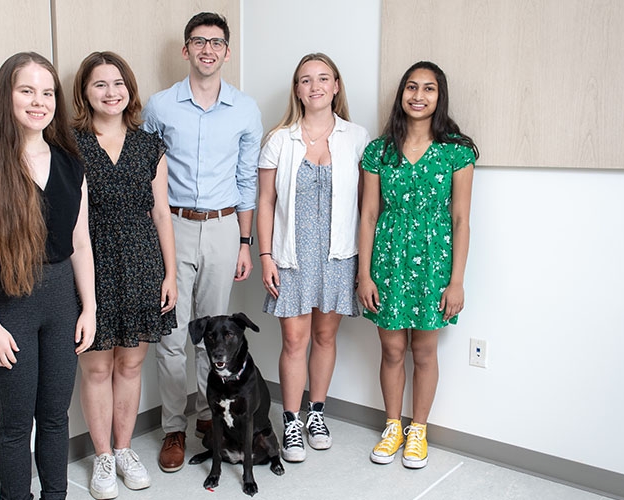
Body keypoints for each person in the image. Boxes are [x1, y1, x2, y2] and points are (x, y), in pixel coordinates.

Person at [0, 52, 96, 500]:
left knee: (55, 418)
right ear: (6, 97)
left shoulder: (72, 165)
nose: (39, 101)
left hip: (61, 304)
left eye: (48, 92)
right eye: (27, 90)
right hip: (9, 308)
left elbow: (81, 243)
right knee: (16, 424)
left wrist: (89, 305)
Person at [141, 11, 263, 473]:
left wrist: (245, 241)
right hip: (171, 227)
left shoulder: (245, 109)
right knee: (172, 334)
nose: (207, 49)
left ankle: (211, 419)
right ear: (185, 49)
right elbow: (146, 175)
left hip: (225, 226)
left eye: (216, 42)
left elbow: (247, 178)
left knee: (214, 338)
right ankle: (175, 426)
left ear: (226, 52)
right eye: (199, 41)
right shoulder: (159, 106)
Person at [357, 61, 477, 469]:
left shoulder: (456, 151)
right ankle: (393, 425)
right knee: (391, 348)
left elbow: (461, 220)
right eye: (411, 87)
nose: (418, 96)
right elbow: (368, 216)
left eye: (428, 88)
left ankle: (418, 430)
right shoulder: (379, 151)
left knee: (424, 350)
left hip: (434, 262)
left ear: (439, 96)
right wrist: (364, 273)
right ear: (401, 94)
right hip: (388, 258)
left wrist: (456, 281)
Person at [71, 51, 178, 499]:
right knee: (96, 367)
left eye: (118, 83)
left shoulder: (148, 144)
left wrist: (170, 273)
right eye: (100, 84)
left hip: (142, 264)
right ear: (85, 93)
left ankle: (124, 448)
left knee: (131, 364)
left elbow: (161, 213)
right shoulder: (70, 145)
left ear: (129, 90)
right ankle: (102, 459)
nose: (111, 92)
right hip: (90, 264)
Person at [256, 53, 369, 463]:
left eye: (323, 78)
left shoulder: (357, 138)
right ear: (297, 89)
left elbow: (366, 205)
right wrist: (265, 255)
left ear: (336, 86)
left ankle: (316, 413)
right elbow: (265, 202)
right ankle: (290, 419)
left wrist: (365, 264)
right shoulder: (279, 139)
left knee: (325, 337)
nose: (315, 86)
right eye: (306, 80)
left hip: (339, 255)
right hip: (291, 256)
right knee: (294, 340)